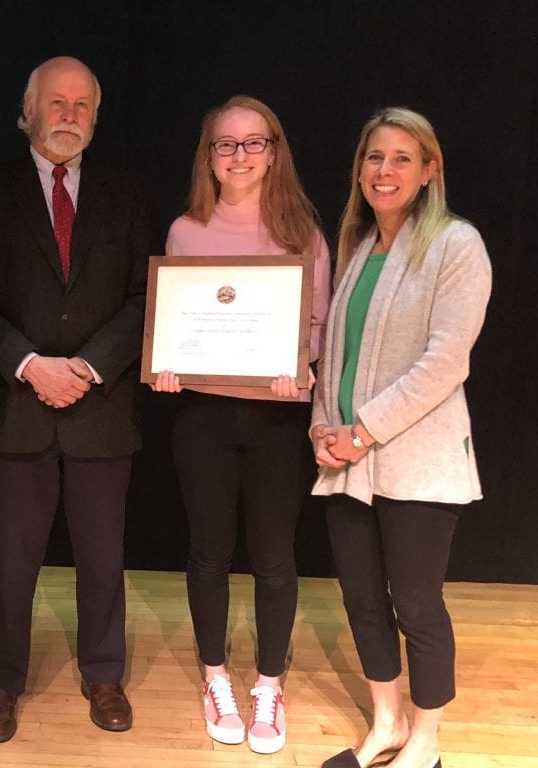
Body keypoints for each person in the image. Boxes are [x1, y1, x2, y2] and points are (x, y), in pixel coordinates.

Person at [0, 56, 158, 742]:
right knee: (7, 561)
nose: (68, 115)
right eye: (56, 102)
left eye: (81, 105)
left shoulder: (128, 195)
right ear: (28, 112)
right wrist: (29, 364)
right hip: (14, 405)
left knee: (104, 556)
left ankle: (104, 673)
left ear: (95, 118)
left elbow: (143, 298)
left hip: (102, 407)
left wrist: (91, 366)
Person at [151, 95, 330, 754]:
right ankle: (216, 675)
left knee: (277, 558)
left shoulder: (302, 230)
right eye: (225, 144)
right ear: (209, 156)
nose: (239, 155)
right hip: (202, 416)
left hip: (278, 418)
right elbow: (175, 322)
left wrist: (300, 362)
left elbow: (317, 325)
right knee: (208, 552)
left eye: (253, 143)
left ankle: (269, 685)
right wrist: (167, 363)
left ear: (274, 151)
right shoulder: (185, 231)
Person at [311, 108, 490, 768]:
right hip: (347, 461)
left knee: (416, 603)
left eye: (401, 158)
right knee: (361, 598)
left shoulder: (456, 245)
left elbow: (447, 361)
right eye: (374, 158)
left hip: (417, 461)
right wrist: (322, 431)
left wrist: (361, 432)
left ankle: (426, 741)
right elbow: (336, 356)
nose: (384, 171)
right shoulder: (360, 250)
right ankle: (386, 724)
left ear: (429, 170)